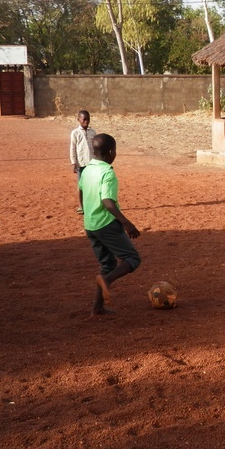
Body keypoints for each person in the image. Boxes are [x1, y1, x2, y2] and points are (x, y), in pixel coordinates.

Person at [79, 133, 141, 316]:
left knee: (107, 264)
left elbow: (81, 191)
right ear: (111, 151)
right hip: (106, 224)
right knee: (132, 259)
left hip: (91, 225)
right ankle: (106, 280)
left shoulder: (87, 169)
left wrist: (86, 211)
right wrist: (126, 223)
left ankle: (97, 308)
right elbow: (107, 201)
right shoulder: (107, 173)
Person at [70, 110, 96, 214]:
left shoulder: (92, 132)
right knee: (81, 185)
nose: (86, 121)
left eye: (88, 119)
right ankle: (81, 206)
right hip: (81, 163)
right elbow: (72, 147)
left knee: (92, 185)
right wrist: (73, 162)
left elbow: (96, 147)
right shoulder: (75, 133)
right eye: (84, 119)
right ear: (78, 120)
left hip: (92, 162)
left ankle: (92, 204)